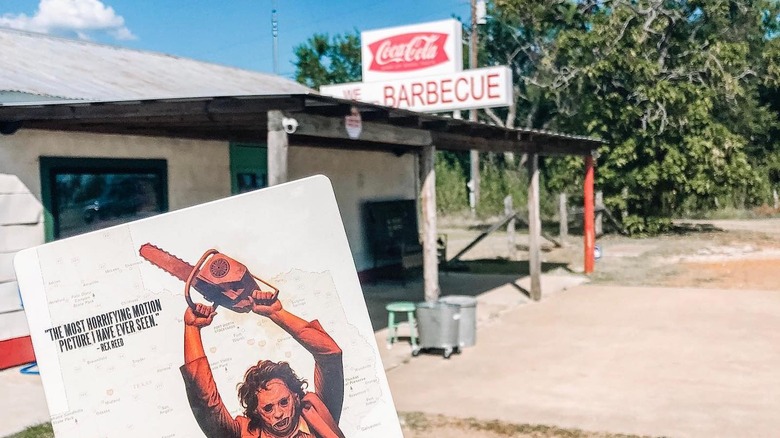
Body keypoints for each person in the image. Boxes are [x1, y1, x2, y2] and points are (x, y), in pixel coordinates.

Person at [180, 290, 345, 438]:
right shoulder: (245, 435)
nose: (278, 414)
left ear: (295, 397)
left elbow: (330, 354)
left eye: (284, 402)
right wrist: (192, 329)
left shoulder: (318, 412)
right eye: (268, 408)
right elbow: (207, 404)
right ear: (256, 412)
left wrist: (277, 313)